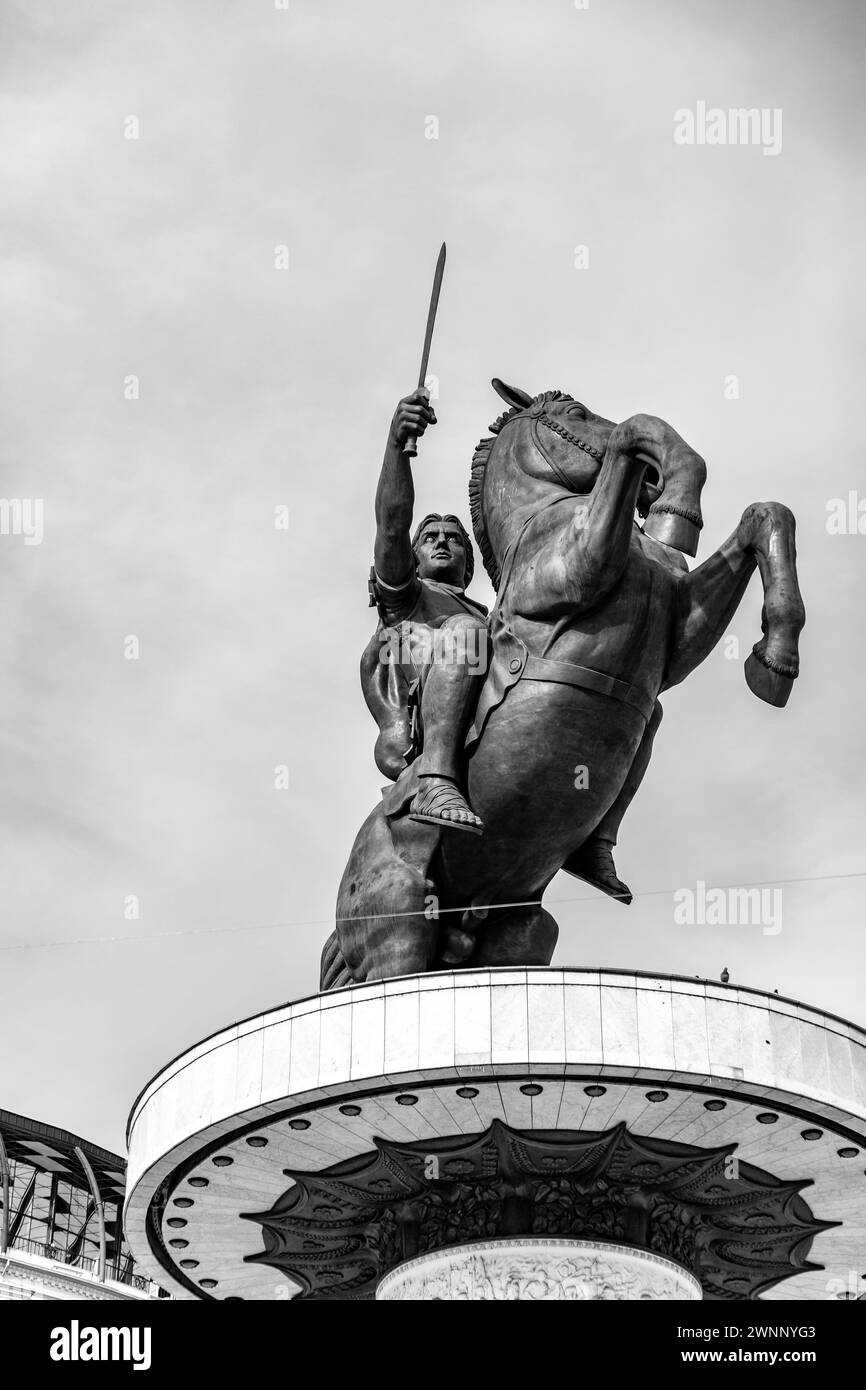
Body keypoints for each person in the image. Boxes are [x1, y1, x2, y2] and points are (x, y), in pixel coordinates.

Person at [363, 387, 489, 832]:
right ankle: (436, 778)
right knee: (463, 632)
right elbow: (392, 525)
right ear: (413, 558)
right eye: (430, 537)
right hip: (428, 703)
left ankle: (594, 829)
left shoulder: (492, 615)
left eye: (453, 538)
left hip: (489, 698)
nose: (440, 541)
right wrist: (398, 446)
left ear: (469, 567)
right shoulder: (406, 598)